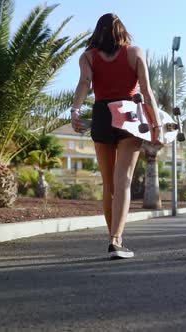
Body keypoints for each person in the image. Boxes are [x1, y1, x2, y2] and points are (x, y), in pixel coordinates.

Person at [71, 13, 161, 259]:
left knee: (109, 183)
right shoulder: (134, 53)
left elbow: (84, 84)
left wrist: (75, 110)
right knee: (124, 181)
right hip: (129, 114)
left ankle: (113, 238)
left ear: (97, 32)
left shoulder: (88, 57)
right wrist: (157, 125)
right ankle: (116, 240)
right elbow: (147, 90)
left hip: (102, 114)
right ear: (122, 30)